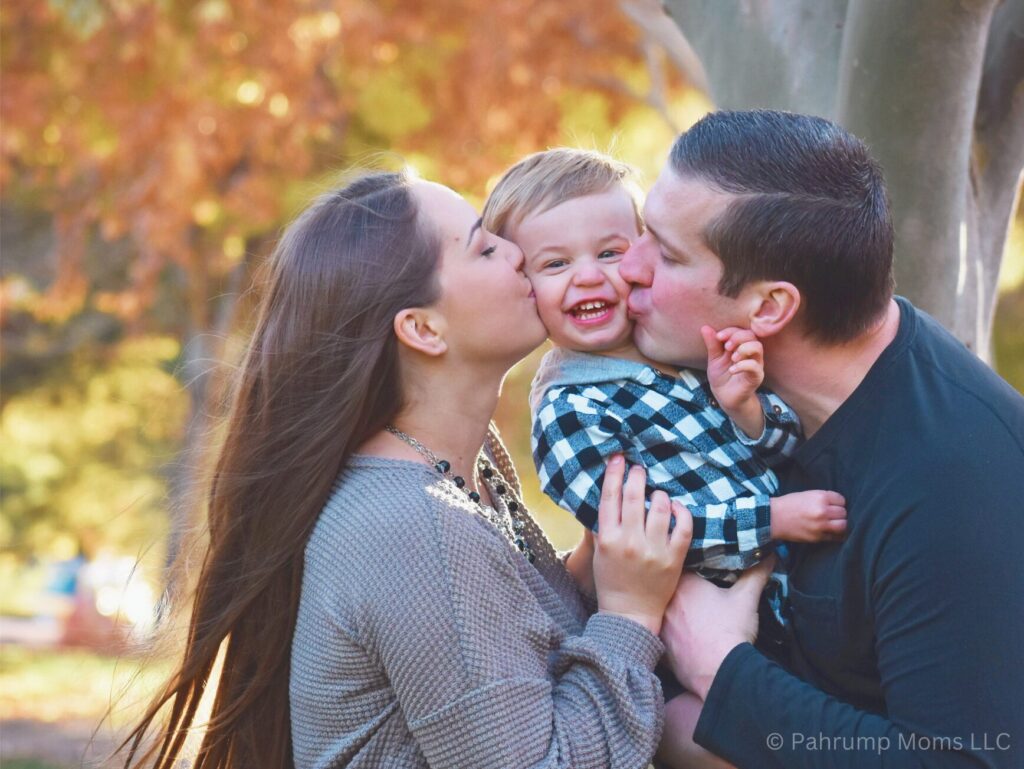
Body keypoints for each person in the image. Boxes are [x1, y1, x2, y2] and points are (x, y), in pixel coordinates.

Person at [120, 170, 693, 769]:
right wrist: (629, 614)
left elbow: (520, 651)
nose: (516, 250)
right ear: (423, 329)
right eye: (483, 245)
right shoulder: (414, 525)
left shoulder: (466, 469)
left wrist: (599, 569)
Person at [619, 109, 1024, 768]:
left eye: (665, 253)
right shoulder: (718, 393)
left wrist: (723, 672)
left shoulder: (957, 484)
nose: (627, 267)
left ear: (769, 307)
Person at [482, 148, 847, 765]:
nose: (590, 276)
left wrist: (747, 412)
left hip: (792, 598)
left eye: (610, 252)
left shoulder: (681, 351)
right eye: (555, 263)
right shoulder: (571, 412)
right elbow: (643, 535)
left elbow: (789, 447)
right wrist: (771, 519)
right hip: (698, 630)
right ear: (524, 287)